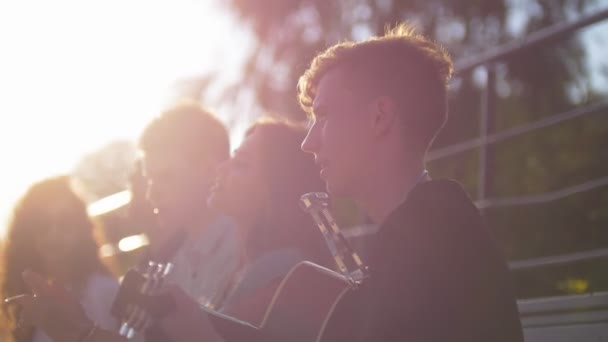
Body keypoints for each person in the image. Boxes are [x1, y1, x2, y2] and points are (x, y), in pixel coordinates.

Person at [295, 23, 524, 341]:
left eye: (323, 116)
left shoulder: (427, 243)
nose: (308, 142)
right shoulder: (436, 229)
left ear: (379, 117)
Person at [137, 100, 241, 308]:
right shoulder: (174, 264)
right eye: (149, 180)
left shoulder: (244, 250)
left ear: (209, 169)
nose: (151, 194)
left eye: (165, 177)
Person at [0, 176, 119, 342]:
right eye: (42, 223)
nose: (53, 233)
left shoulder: (106, 291)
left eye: (65, 222)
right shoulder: (19, 302)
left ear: (80, 226)